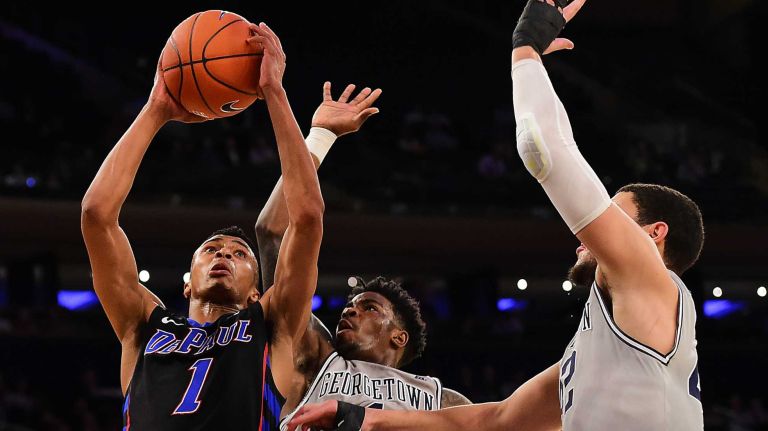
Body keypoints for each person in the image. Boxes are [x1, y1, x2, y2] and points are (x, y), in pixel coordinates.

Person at [285, 1, 706, 430]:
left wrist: (526, 49)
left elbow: (543, 152)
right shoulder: (596, 351)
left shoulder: (651, 279)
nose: (588, 236)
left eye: (615, 214)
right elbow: (494, 419)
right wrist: (362, 416)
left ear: (654, 234)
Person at [81, 22, 324, 430]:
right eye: (211, 249)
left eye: (239, 253)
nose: (224, 254)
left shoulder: (272, 323)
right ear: (187, 283)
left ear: (255, 291)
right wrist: (157, 108)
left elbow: (308, 216)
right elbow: (96, 215)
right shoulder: (143, 325)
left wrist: (274, 93)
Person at [253, 85, 471, 429]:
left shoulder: (442, 400)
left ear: (399, 337)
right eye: (352, 305)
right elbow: (272, 231)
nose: (350, 308)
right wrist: (320, 137)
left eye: (370, 307)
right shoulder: (312, 356)